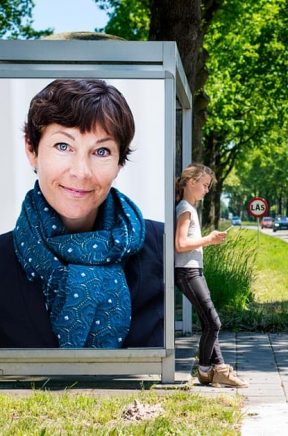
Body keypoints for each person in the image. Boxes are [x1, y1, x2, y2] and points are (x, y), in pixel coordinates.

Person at [0, 79, 164, 348]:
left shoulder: (162, 245)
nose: (81, 171)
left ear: (119, 162)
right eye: (63, 146)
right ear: (32, 150)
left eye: (101, 151)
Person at [175, 163, 247, 388]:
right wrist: (209, 239)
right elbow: (180, 244)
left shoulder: (188, 207)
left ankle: (217, 370)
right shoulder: (185, 208)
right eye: (204, 185)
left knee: (210, 322)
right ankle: (206, 370)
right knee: (213, 323)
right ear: (191, 182)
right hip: (187, 272)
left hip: (194, 270)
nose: (207, 190)